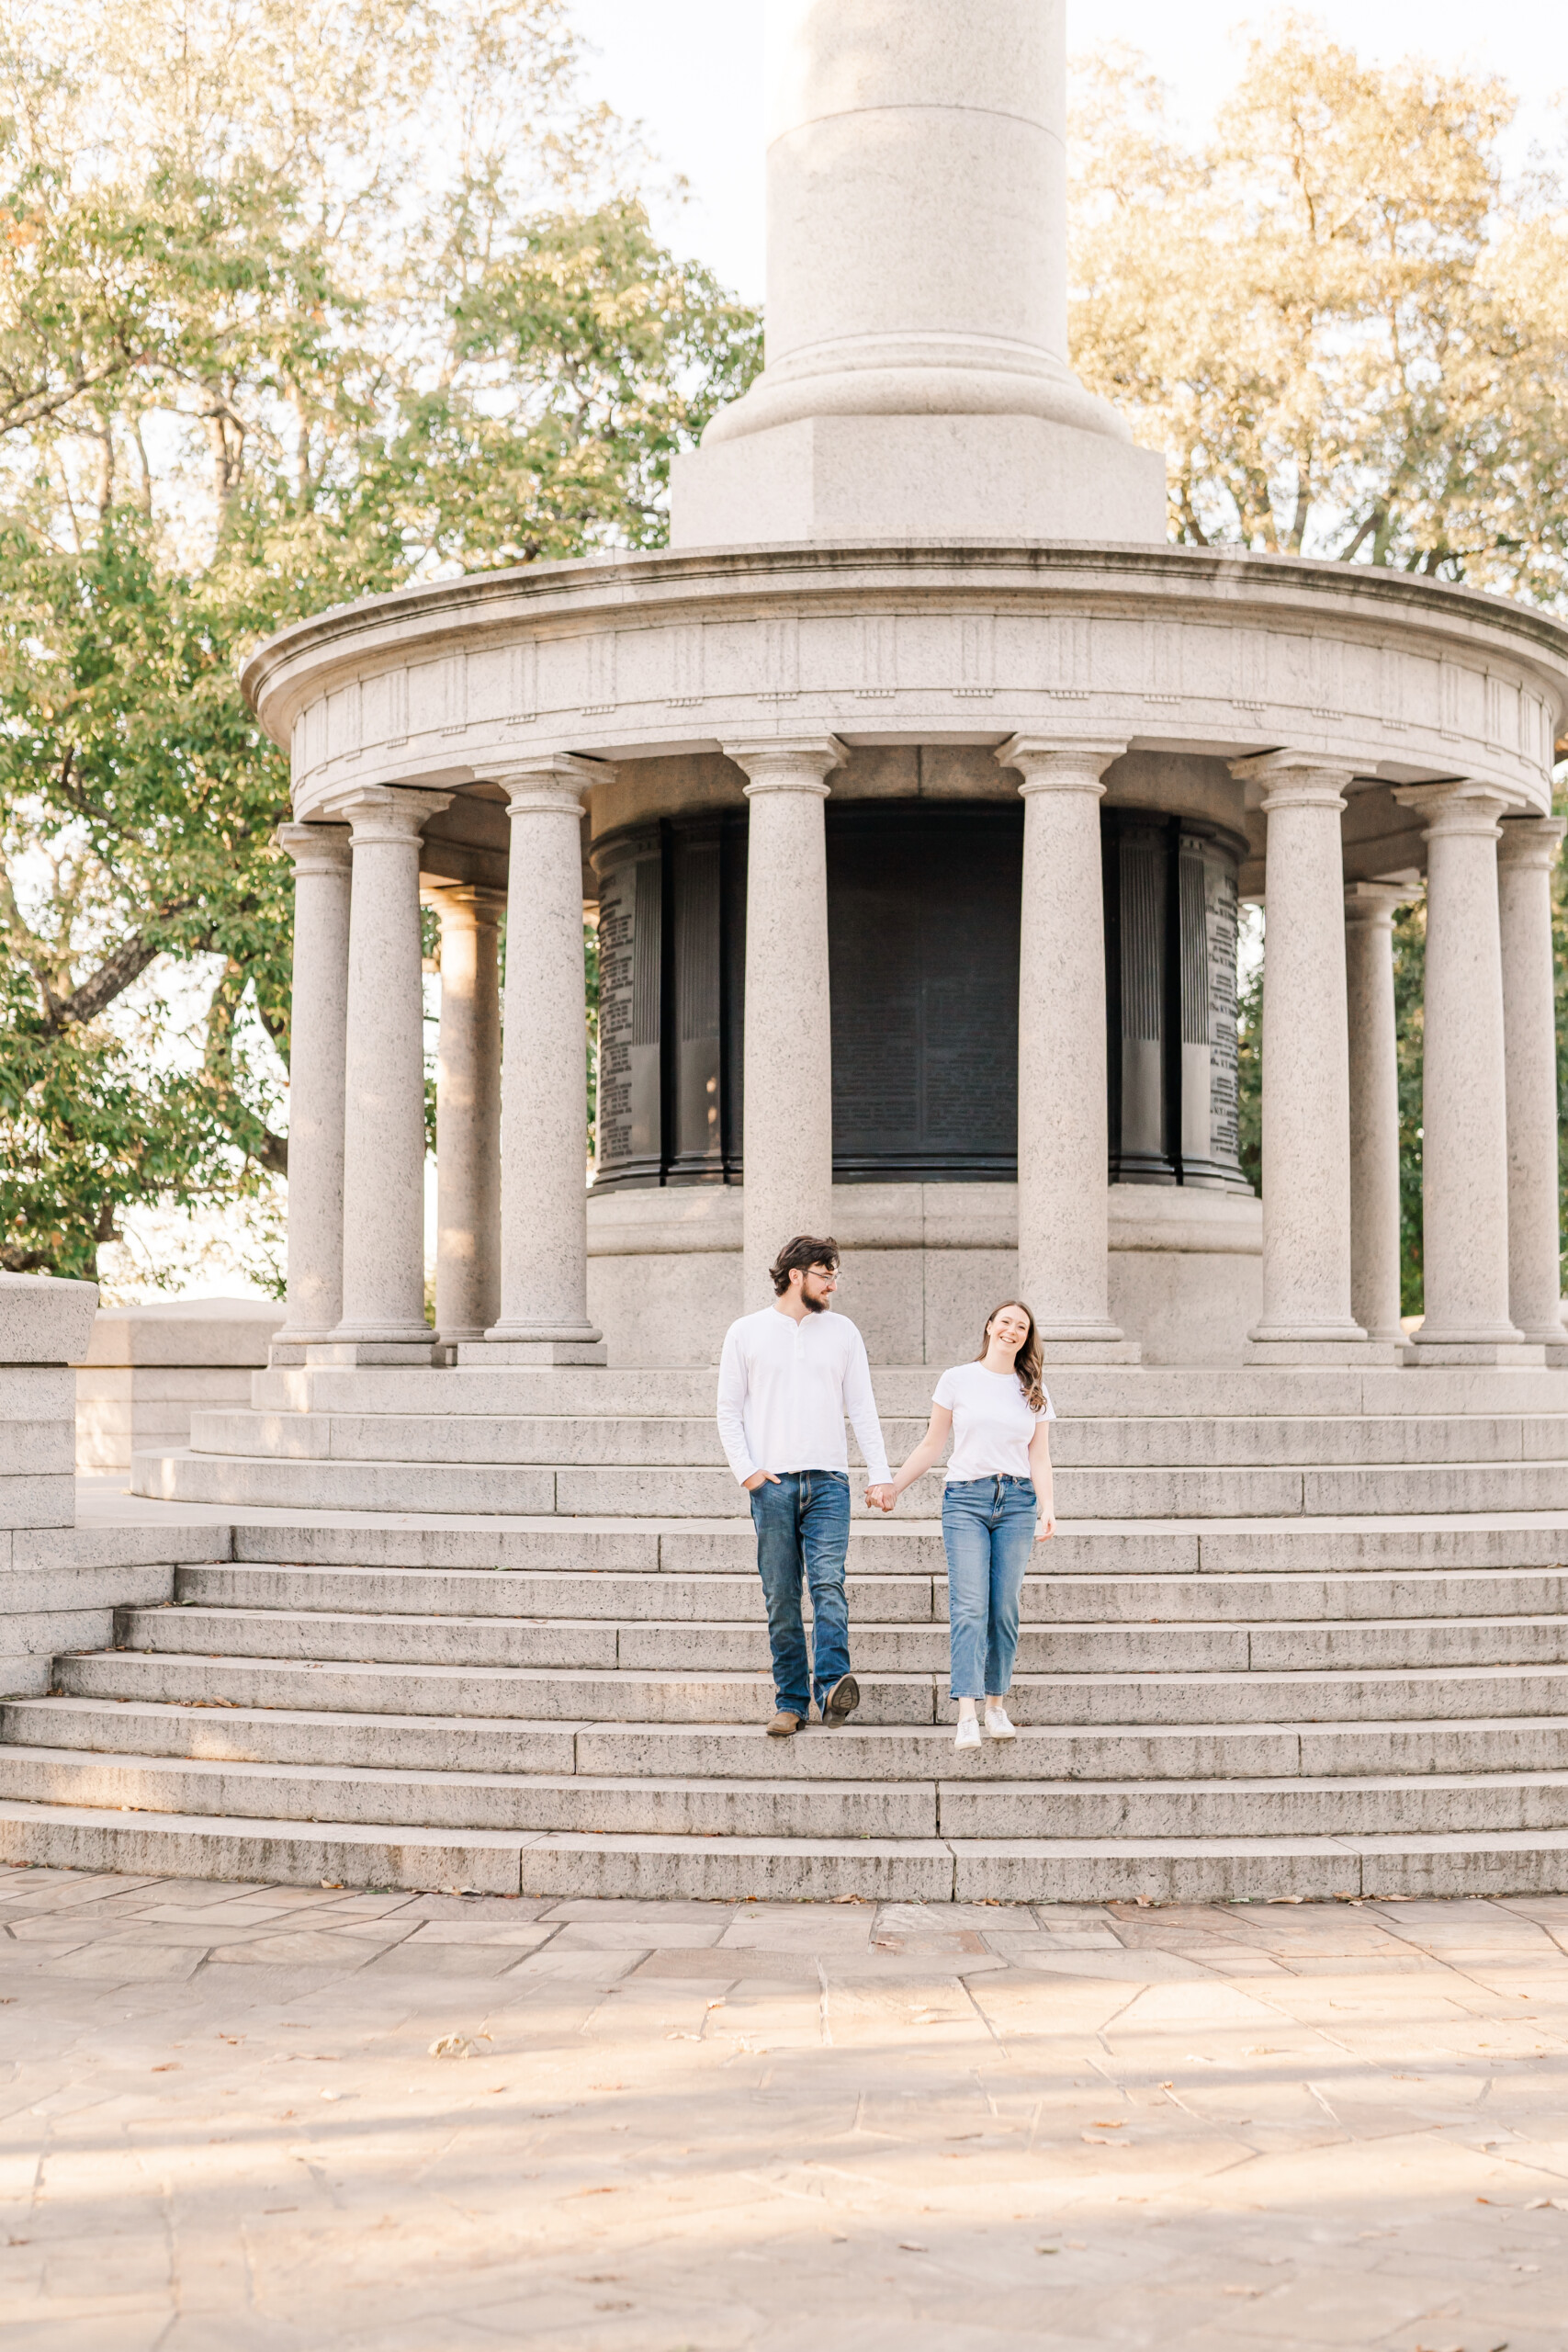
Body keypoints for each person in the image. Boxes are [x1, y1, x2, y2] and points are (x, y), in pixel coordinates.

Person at [716, 1234, 894, 1737]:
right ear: (797, 1275)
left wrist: (880, 1474)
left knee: (827, 1584)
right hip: (771, 1486)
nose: (834, 1284)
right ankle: (791, 1700)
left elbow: (862, 1407)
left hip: (830, 1484)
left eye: (836, 1274)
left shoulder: (843, 1332)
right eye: (826, 1274)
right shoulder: (746, 1332)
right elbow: (728, 1410)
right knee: (780, 1596)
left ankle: (833, 1686)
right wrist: (747, 1471)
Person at [881, 1299, 1056, 1750]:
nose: (1012, 1331)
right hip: (966, 1501)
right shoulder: (958, 1379)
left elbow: (1039, 1455)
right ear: (989, 1327)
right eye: (1005, 1322)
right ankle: (967, 1714)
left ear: (1026, 1336)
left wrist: (1048, 1506)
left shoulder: (1033, 1387)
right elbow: (932, 1443)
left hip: (1017, 1501)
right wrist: (894, 1486)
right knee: (970, 1605)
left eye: (1021, 1326)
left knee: (1004, 1607)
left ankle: (996, 1706)